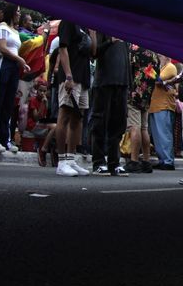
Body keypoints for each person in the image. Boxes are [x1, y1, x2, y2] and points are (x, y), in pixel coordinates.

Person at [51, 19, 92, 177]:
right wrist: (68, 76)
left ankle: (71, 158)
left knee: (78, 118)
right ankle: (61, 161)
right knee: (65, 115)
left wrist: (94, 33)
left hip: (83, 77)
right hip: (71, 76)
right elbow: (63, 49)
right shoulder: (68, 21)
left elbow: (93, 52)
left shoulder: (85, 26)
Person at [88, 27, 129, 176]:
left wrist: (128, 83)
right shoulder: (102, 27)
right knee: (99, 123)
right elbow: (94, 53)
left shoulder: (125, 31)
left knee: (118, 125)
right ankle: (98, 161)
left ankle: (114, 162)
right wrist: (110, 41)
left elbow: (126, 58)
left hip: (121, 82)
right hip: (104, 82)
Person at [0, 2, 26, 153]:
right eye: (18, 11)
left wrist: (20, 62)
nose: (19, 14)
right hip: (3, 64)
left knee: (8, 104)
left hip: (14, 67)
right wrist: (19, 59)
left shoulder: (15, 31)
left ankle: (6, 139)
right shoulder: (2, 27)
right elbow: (2, 48)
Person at [147, 57, 180, 170]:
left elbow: (158, 79)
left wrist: (148, 70)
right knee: (157, 136)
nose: (158, 56)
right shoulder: (162, 67)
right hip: (156, 105)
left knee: (164, 134)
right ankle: (162, 159)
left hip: (164, 105)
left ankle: (168, 161)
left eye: (160, 55)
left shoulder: (170, 67)